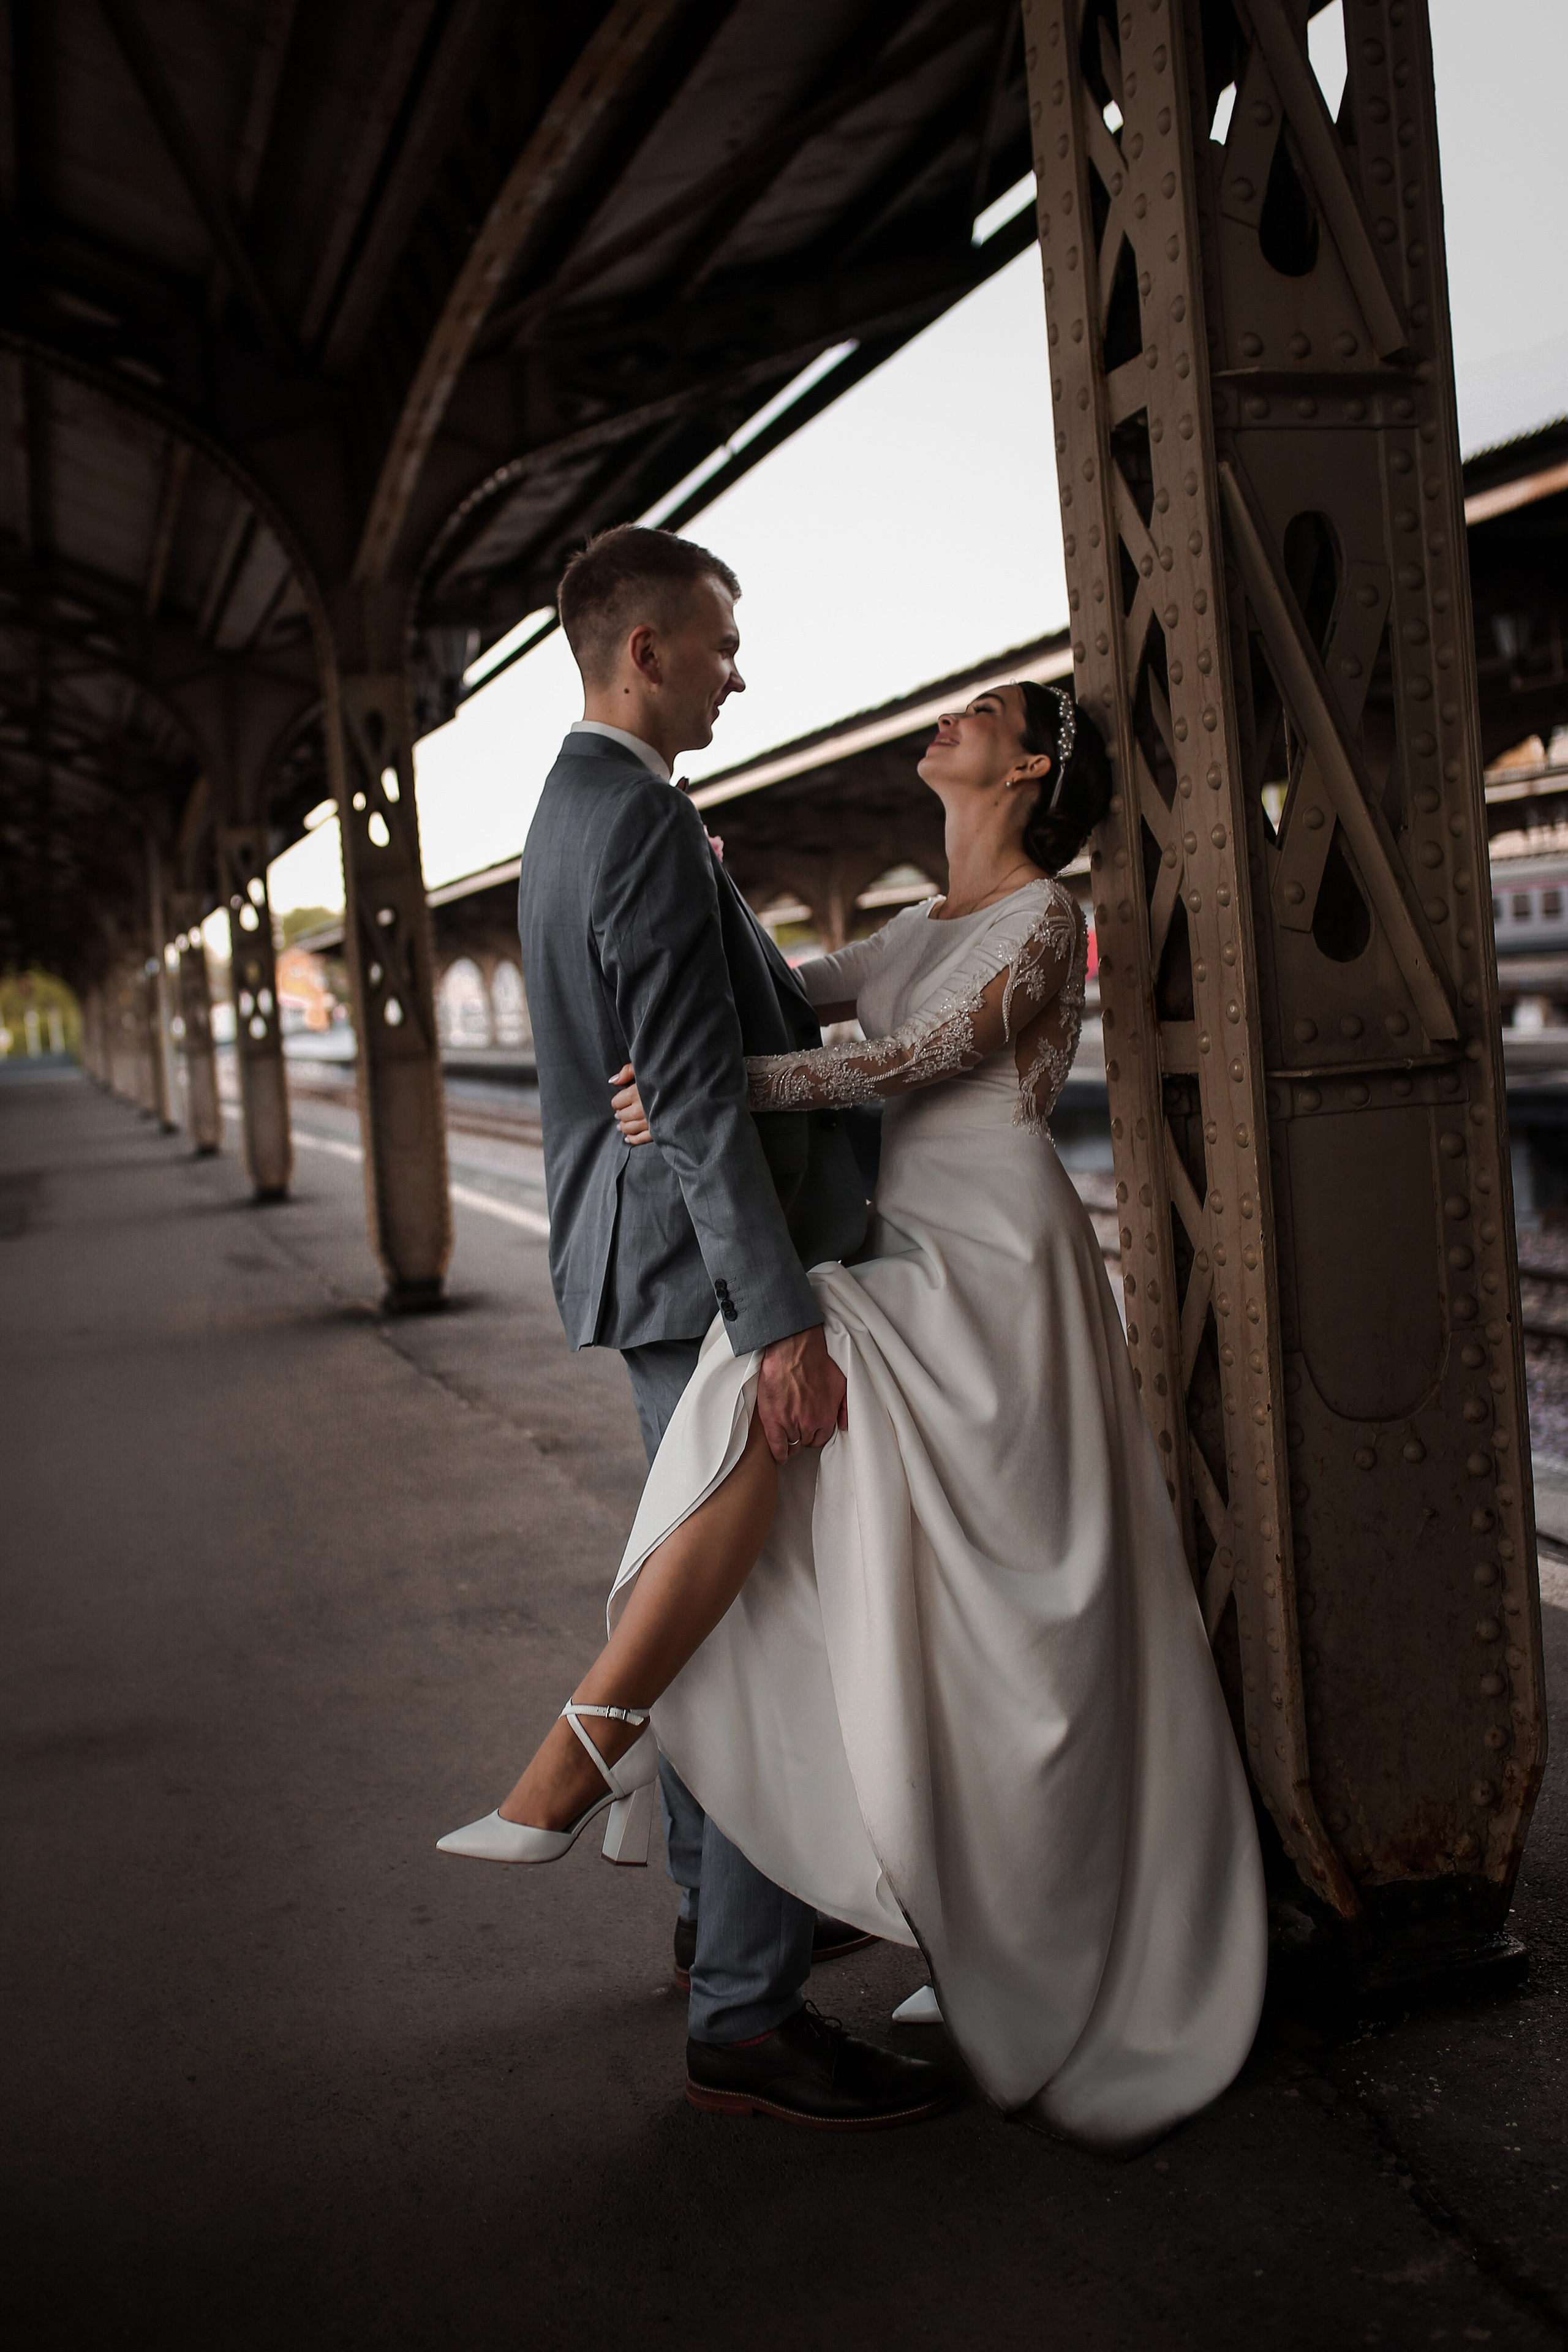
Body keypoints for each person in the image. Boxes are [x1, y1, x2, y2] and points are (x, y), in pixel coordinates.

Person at [443, 655, 1268, 2152]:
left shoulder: (1041, 920)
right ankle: (654, 1775)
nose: (949, 719)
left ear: (1021, 774)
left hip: (993, 1279)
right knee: (799, 1473)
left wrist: (720, 1095)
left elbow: (909, 1057)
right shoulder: (921, 919)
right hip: (905, 1256)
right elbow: (784, 993)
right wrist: (692, 1034)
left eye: (984, 718)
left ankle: (602, 1748)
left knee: (818, 1456)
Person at [439, 524, 957, 2132]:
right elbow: (693, 1104)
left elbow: (687, 1055)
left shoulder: (565, 808)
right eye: (722, 643)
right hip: (702, 1274)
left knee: (712, 1596)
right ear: (644, 649)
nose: (743, 670)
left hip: (644, 1259)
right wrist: (780, 1317)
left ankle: (711, 1929)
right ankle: (744, 2003)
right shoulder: (646, 823)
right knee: (736, 1620)